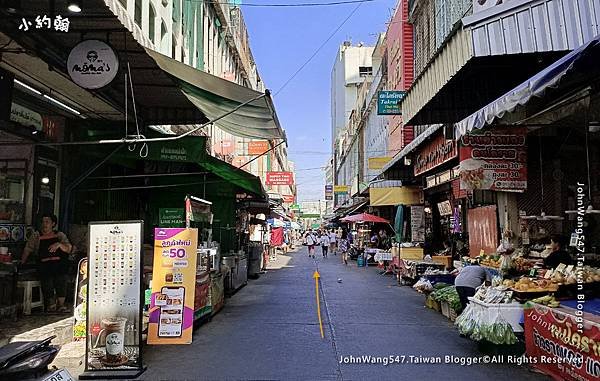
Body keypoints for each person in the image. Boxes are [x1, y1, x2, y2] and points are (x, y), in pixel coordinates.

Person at [21, 214, 73, 313]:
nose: (44, 224)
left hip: (59, 264)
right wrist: (22, 263)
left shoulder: (60, 235)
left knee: (61, 278)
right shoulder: (36, 236)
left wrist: (59, 244)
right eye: (43, 222)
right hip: (44, 264)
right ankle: (51, 304)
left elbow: (68, 249)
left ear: (53, 224)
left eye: (47, 222)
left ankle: (61, 305)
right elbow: (28, 249)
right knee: (46, 279)